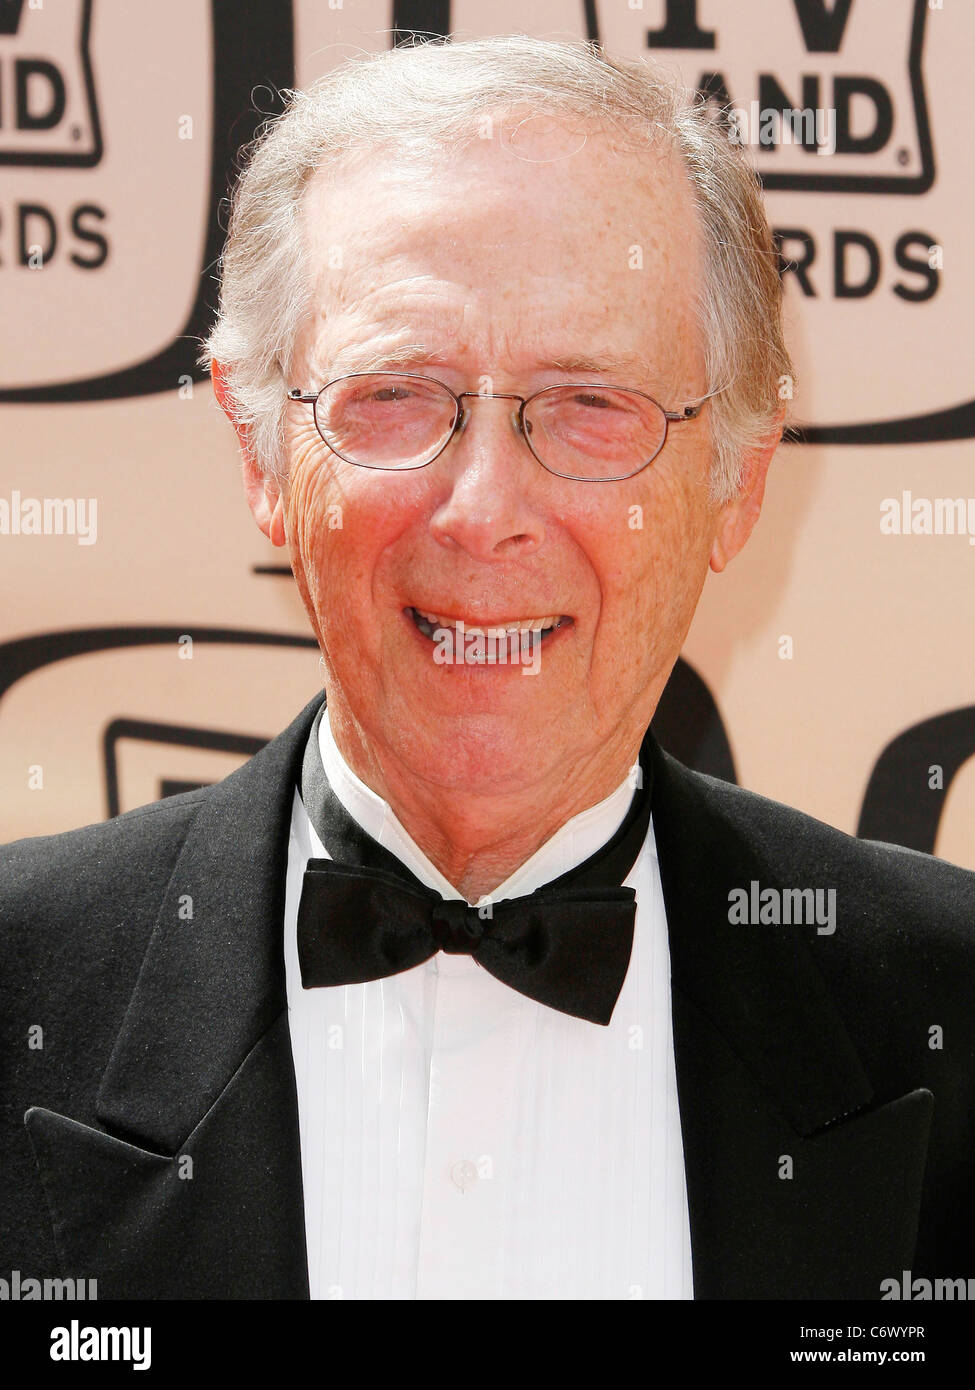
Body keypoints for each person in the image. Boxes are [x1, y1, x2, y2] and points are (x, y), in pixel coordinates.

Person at [2, 35, 973, 1302]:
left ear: (735, 480)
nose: (484, 509)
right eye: (398, 394)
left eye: (591, 403)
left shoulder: (944, 1010)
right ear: (259, 456)